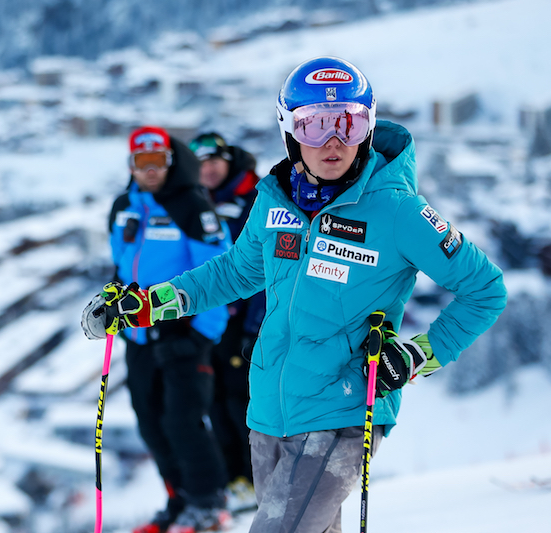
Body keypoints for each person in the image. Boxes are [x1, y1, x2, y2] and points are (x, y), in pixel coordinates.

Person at [82, 58, 507, 533]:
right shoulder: (274, 199)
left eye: (348, 123)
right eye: (315, 124)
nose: (333, 141)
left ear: (366, 128)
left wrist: (417, 356)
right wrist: (148, 305)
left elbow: (485, 289)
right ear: (289, 129)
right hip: (269, 408)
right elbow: (233, 273)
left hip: (344, 407)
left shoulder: (398, 210)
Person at [92, 125, 234, 533]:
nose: (150, 170)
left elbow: (218, 274)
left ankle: (210, 504)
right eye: (142, 162)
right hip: (137, 335)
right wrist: (110, 307)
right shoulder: (124, 206)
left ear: (170, 163)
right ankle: (178, 501)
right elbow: (122, 267)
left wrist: (202, 334)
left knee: (182, 422)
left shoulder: (191, 205)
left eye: (158, 162)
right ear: (132, 165)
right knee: (150, 422)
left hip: (182, 335)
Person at [189, 132, 265, 511]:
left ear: (228, 160)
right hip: (208, 319)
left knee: (241, 402)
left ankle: (257, 478)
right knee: (214, 401)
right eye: (201, 164)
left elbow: (263, 267)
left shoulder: (253, 199)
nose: (209, 169)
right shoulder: (197, 201)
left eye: (214, 161)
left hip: (242, 320)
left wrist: (254, 326)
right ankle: (234, 479)